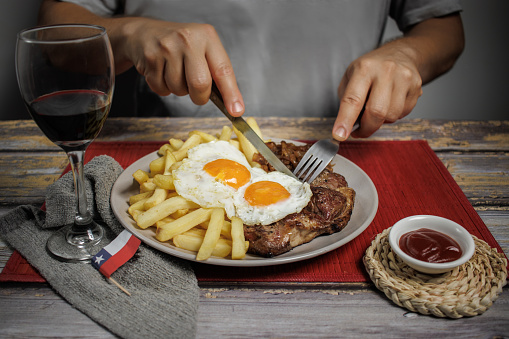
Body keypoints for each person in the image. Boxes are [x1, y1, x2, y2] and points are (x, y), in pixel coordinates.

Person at [38, 0, 464, 141]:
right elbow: (55, 28)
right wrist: (131, 32)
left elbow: (444, 27)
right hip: (156, 140)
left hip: (344, 143)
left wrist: (406, 55)